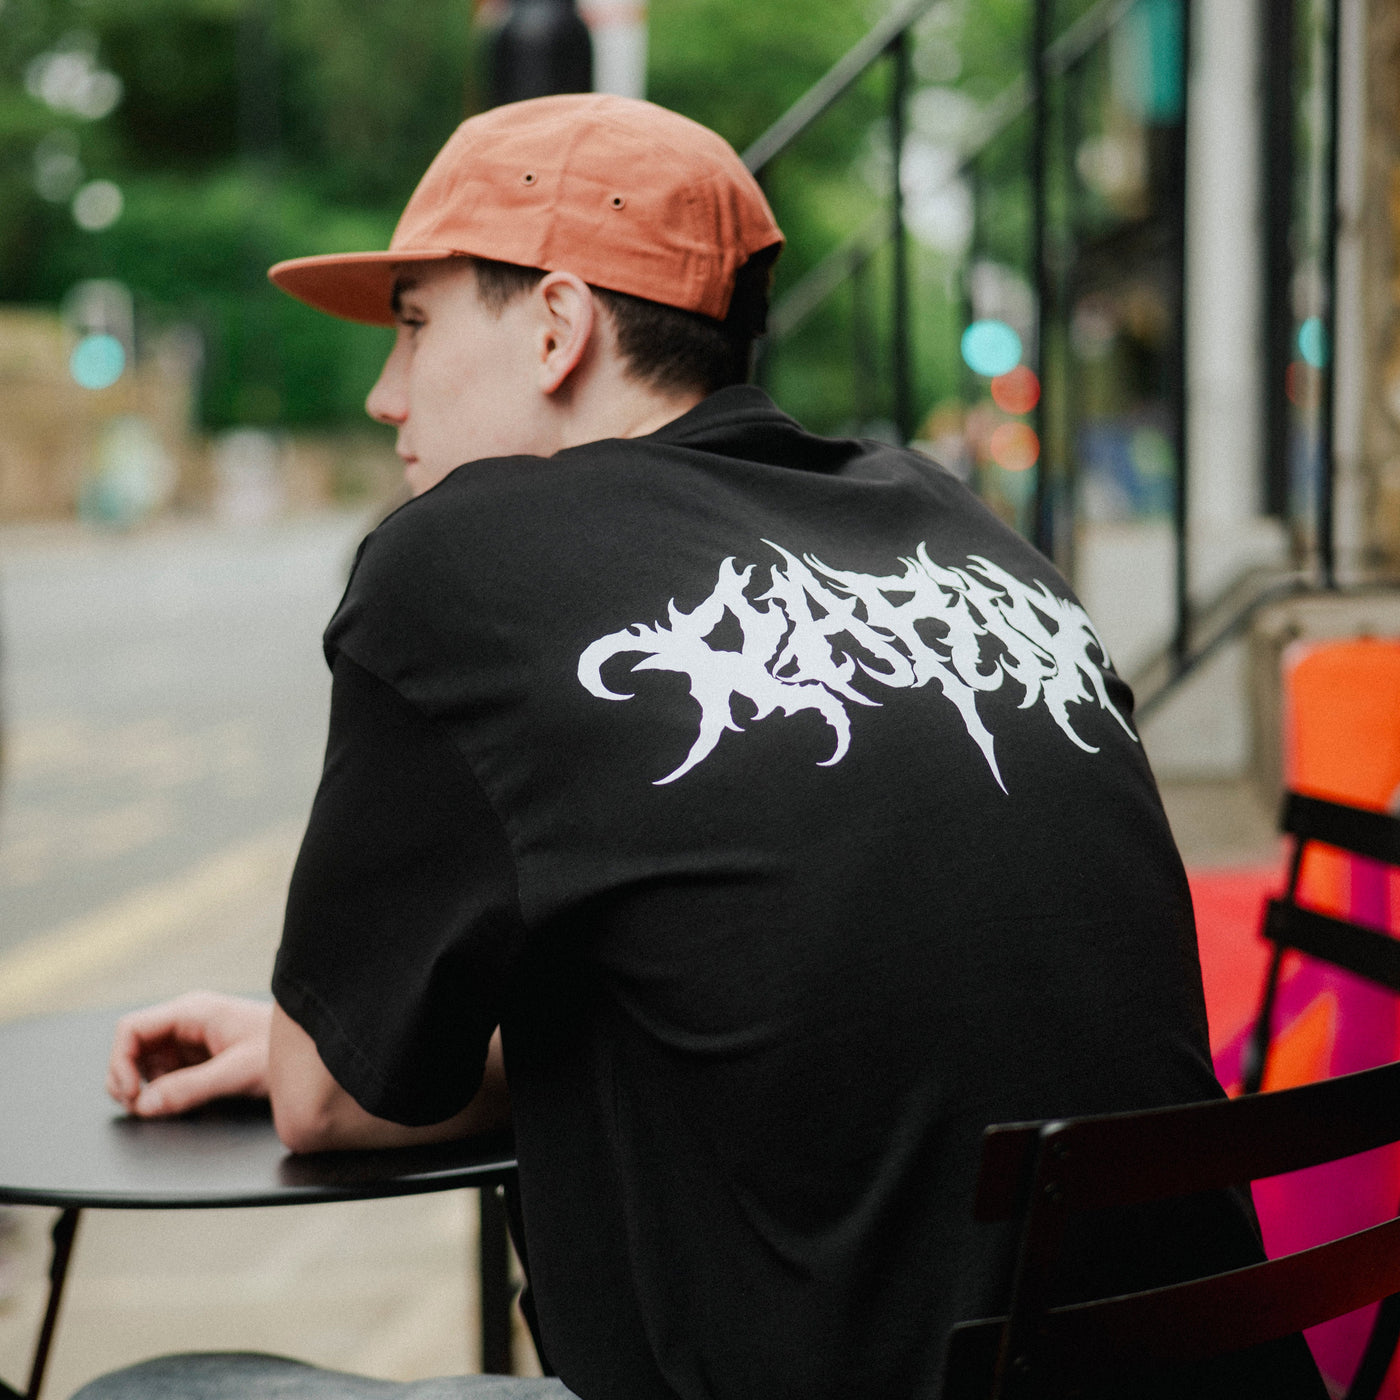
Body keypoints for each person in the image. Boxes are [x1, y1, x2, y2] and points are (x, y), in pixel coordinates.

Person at [83, 94, 1323, 1400]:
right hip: (1210, 1373)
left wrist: (338, 1042)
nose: (387, 395)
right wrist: (358, 1033)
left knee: (154, 1390)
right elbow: (834, 998)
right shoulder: (959, 530)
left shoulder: (466, 556)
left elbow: (328, 1104)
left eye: (415, 323)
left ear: (557, 327)